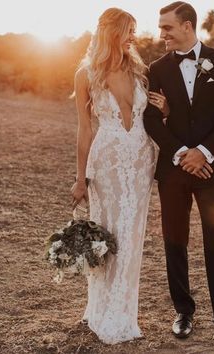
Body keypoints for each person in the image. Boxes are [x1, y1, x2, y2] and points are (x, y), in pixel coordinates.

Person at [71, 8, 167, 345]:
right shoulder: (86, 74)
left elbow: (154, 116)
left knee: (131, 235)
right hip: (107, 162)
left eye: (134, 31)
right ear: (111, 32)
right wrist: (80, 177)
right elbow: (85, 130)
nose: (132, 37)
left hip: (141, 161)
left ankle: (123, 313)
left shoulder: (139, 71)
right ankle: (100, 310)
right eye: (128, 31)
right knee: (107, 234)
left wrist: (166, 111)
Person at [144, 2, 214, 352]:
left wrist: (203, 152)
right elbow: (151, 119)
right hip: (174, 171)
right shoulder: (157, 68)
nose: (161, 33)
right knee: (174, 242)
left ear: (188, 26)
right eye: (160, 27)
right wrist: (182, 154)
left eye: (167, 27)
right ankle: (183, 311)